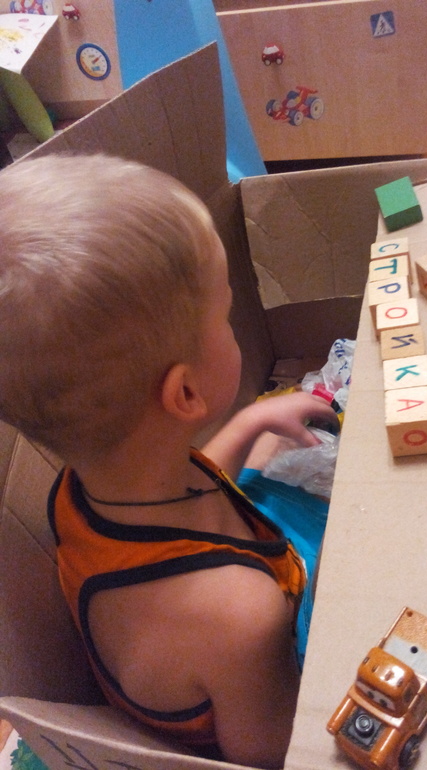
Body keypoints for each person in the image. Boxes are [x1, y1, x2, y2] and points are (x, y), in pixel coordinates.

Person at [0, 154, 338, 769]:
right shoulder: (241, 615)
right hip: (261, 680)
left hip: (229, 606)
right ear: (185, 393)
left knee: (279, 455)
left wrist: (250, 421)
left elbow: (191, 490)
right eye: (226, 316)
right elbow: (270, 752)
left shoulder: (85, 487)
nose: (235, 325)